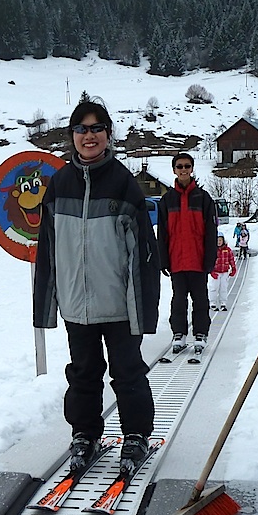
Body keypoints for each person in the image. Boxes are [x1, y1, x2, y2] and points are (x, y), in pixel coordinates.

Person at [33, 99, 161, 475]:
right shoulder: (59, 185)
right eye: (81, 129)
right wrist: (46, 306)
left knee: (128, 373)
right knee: (83, 374)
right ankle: (85, 434)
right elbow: (48, 250)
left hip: (119, 304)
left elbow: (144, 255)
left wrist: (143, 310)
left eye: (96, 128)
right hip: (76, 305)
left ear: (108, 134)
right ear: (72, 135)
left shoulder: (123, 184)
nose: (88, 136)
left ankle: (135, 435)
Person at [157, 152, 218, 355]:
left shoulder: (203, 198)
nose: (183, 170)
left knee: (200, 300)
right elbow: (162, 233)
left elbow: (211, 232)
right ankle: (179, 334)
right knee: (178, 300)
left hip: (198, 260)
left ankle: (200, 333)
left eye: (187, 166)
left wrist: (210, 259)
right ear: (174, 170)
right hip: (176, 261)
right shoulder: (167, 200)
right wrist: (163, 259)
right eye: (180, 166)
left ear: (192, 169)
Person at [208, 233, 236, 312]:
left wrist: (233, 268)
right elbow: (209, 261)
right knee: (214, 287)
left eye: (220, 240)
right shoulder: (213, 250)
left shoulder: (227, 250)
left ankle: (223, 303)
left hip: (224, 272)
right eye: (217, 240)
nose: (219, 242)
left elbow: (231, 259)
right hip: (215, 272)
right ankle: (212, 302)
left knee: (223, 288)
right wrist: (211, 271)